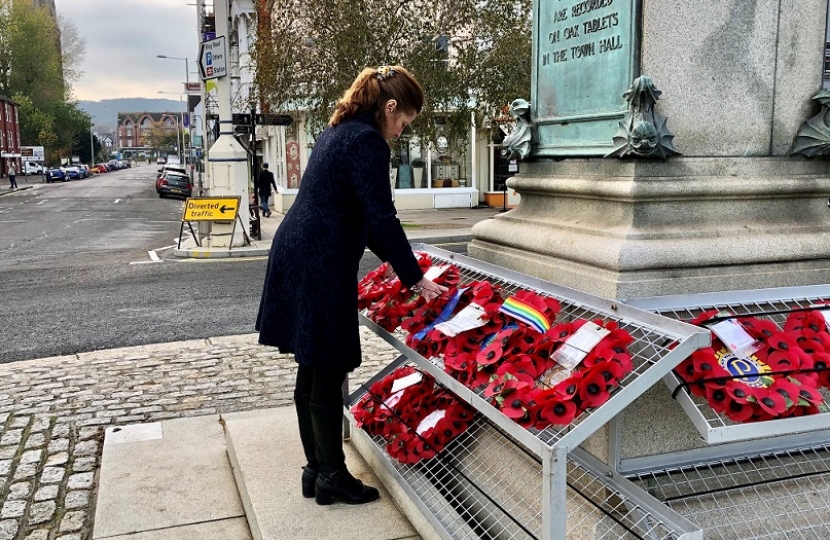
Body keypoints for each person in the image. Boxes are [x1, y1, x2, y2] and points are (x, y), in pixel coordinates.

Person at [256, 65, 447, 506]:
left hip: (300, 253)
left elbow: (370, 223)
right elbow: (382, 216)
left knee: (312, 365)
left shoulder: (337, 131)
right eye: (403, 122)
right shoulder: (366, 142)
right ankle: (332, 477)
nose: (400, 132)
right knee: (327, 365)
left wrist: (408, 272)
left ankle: (316, 468)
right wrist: (416, 277)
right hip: (320, 260)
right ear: (390, 108)